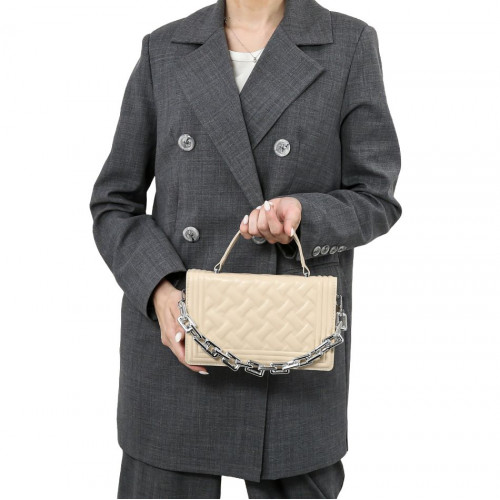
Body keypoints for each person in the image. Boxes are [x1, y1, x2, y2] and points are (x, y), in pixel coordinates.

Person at [89, 0, 402, 497]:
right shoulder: (164, 49)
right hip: (178, 347)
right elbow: (114, 203)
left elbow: (375, 198)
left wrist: (305, 214)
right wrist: (159, 291)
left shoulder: (348, 44)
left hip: (292, 349)